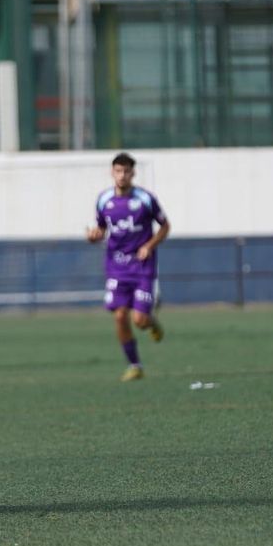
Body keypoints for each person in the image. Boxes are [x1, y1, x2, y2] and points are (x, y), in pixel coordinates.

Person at [85, 152, 169, 381]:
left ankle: (152, 322)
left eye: (126, 171)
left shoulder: (145, 199)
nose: (122, 175)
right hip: (117, 266)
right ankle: (134, 365)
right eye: (118, 171)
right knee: (120, 316)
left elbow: (165, 226)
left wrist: (149, 245)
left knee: (139, 321)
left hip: (142, 266)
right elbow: (102, 228)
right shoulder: (104, 200)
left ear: (133, 173)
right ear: (112, 172)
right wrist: (94, 236)